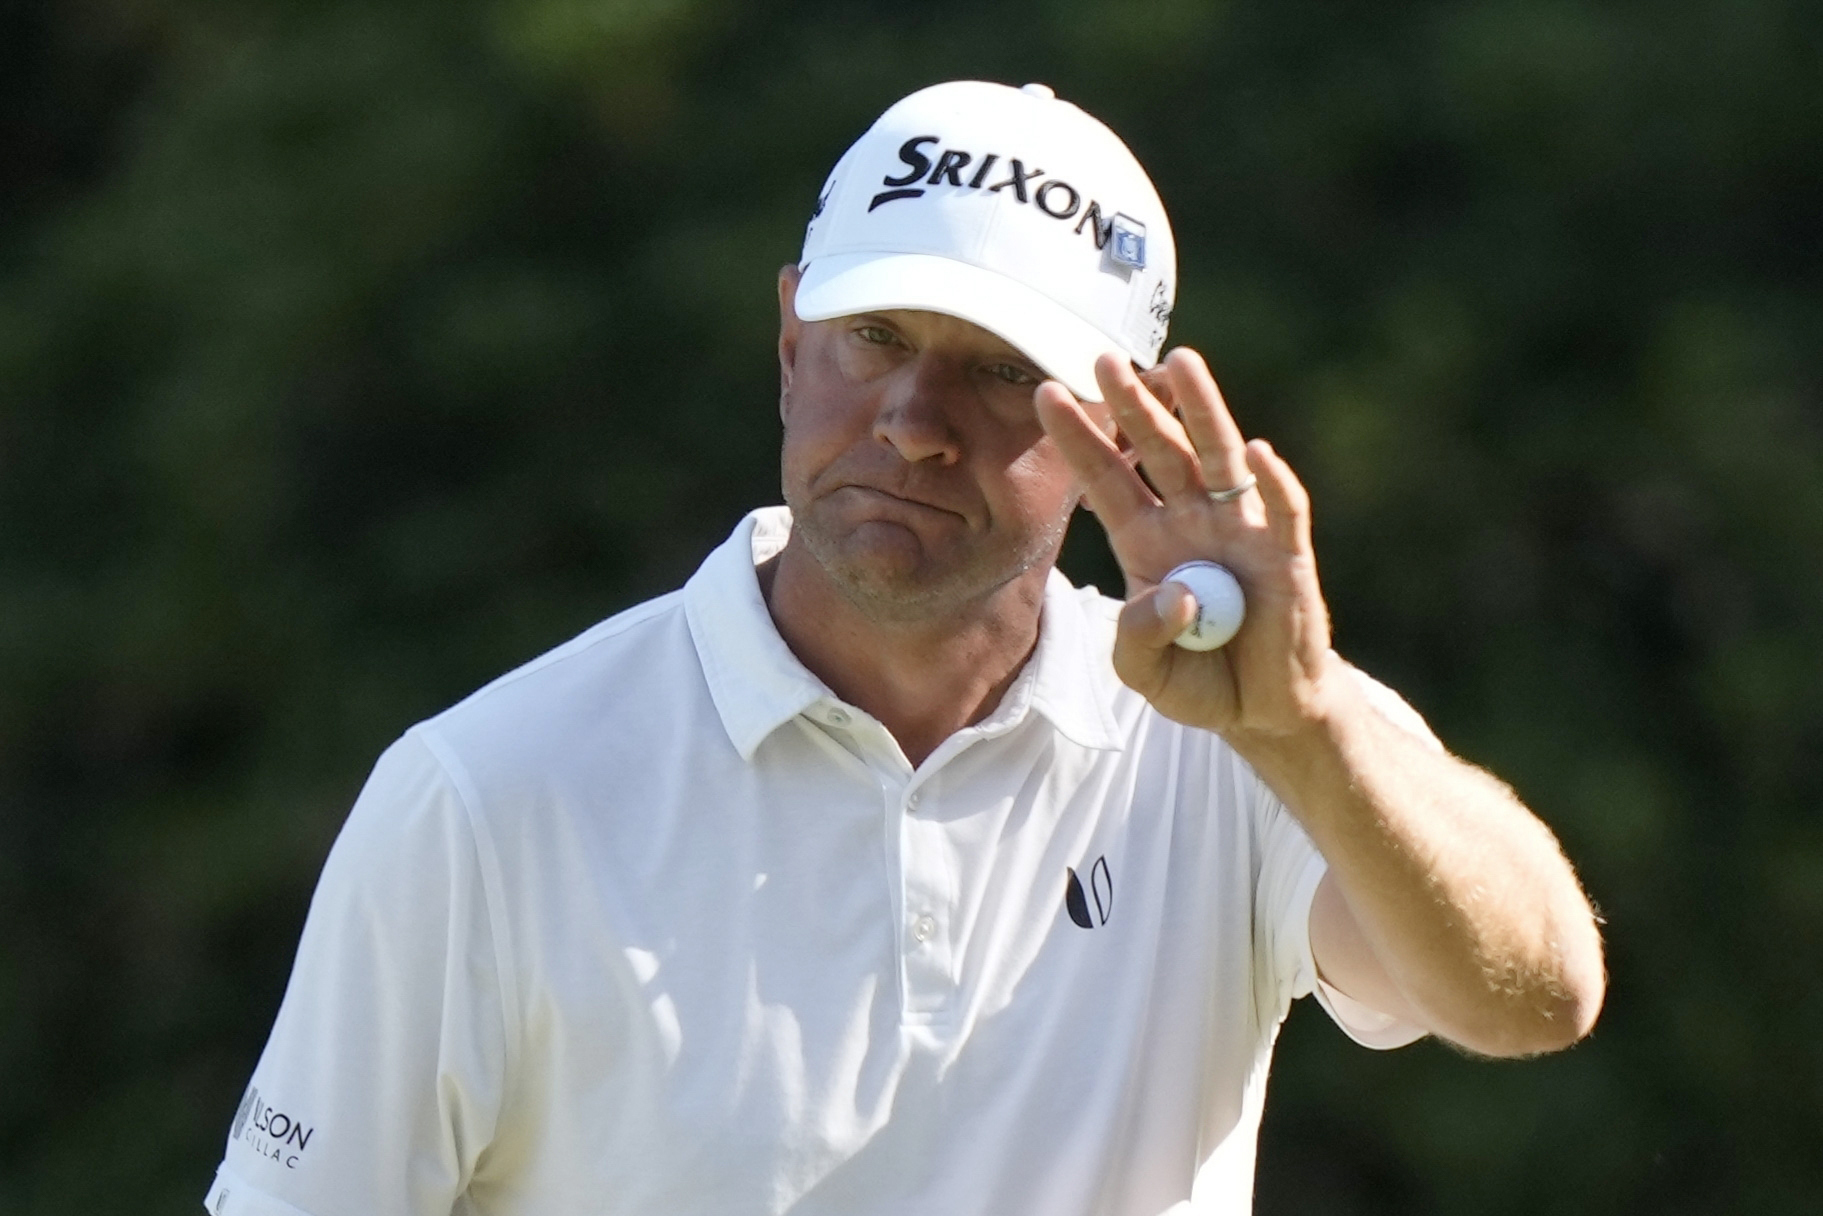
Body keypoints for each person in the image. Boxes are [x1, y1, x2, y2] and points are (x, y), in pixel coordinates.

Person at [203, 80, 1604, 1216]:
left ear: (1117, 430)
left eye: (1001, 370)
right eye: (874, 336)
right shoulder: (484, 794)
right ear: (789, 343)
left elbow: (1531, 995)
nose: (915, 418)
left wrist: (1306, 730)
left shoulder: (1248, 739)